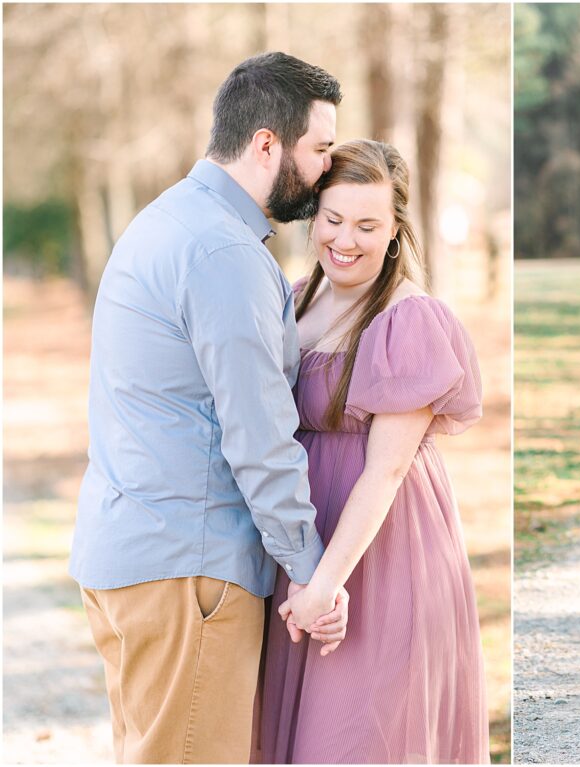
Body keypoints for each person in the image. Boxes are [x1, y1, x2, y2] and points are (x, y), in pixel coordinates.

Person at [69, 52, 343, 763]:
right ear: (265, 145)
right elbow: (260, 438)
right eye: (319, 150)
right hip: (188, 574)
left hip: (129, 558)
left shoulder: (166, 221)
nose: (324, 171)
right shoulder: (222, 253)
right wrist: (312, 571)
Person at [252, 139, 489, 764]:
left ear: (394, 232)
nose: (346, 240)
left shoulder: (407, 318)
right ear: (313, 218)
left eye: (367, 225)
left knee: (355, 734)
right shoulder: (296, 296)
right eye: (333, 220)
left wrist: (326, 586)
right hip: (301, 540)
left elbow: (385, 470)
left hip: (381, 548)